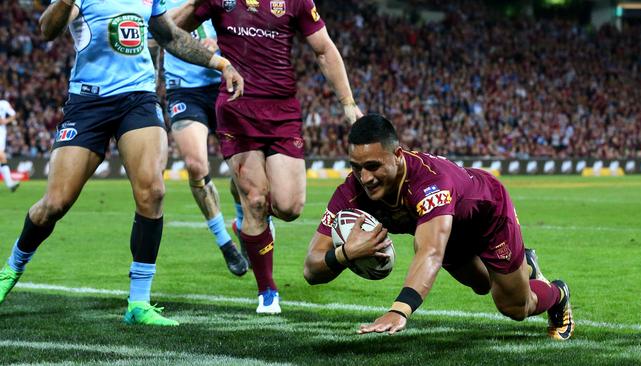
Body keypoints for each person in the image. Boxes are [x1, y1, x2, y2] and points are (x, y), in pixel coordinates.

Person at [0, 0, 243, 326]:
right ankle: (11, 269)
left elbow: (170, 36)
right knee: (55, 204)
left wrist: (219, 62)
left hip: (138, 99)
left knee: (153, 192)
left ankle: (139, 302)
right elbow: (47, 30)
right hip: (88, 102)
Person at [304, 114, 574, 340]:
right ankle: (524, 265)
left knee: (514, 306)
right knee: (482, 284)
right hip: (449, 232)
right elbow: (311, 269)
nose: (365, 178)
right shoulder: (351, 191)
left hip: (488, 216)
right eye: (356, 167)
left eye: (373, 166)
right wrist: (344, 254)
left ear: (397, 155)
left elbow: (430, 251)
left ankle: (558, 293)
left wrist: (399, 310)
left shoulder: (430, 182)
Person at [172, 0, 363, 313]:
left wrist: (347, 102)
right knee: (256, 199)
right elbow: (171, 31)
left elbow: (324, 49)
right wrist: (209, 52)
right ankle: (268, 291)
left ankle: (248, 227)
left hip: (281, 112)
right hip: (236, 108)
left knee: (289, 207)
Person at [149, 0, 247, 277]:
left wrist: (224, 50)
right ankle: (225, 243)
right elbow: (162, 32)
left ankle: (241, 223)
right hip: (184, 90)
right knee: (195, 166)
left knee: (243, 169)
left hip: (224, 85)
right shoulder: (163, 2)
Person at [0, 98, 19, 192]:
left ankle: (10, 183)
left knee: (2, 158)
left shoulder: (4, 103)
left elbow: (14, 115)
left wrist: (6, 121)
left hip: (1, 134)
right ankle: (9, 183)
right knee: (2, 156)